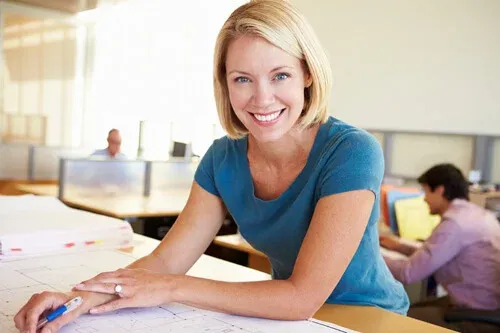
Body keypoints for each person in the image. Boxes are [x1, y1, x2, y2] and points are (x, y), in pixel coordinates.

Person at [14, 1, 408, 332]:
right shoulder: (223, 156)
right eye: (242, 79)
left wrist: (171, 288)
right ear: (225, 84)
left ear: (307, 73)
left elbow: (301, 297)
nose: (262, 98)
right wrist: (77, 297)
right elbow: (167, 261)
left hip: (368, 318)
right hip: (284, 316)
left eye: (280, 75)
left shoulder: (351, 151)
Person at [380, 163, 500, 332]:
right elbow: (437, 255)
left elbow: (407, 273)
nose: (424, 198)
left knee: (395, 315)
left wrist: (371, 257)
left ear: (440, 190)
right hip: (486, 305)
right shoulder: (477, 215)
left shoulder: (455, 224)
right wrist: (399, 246)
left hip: (476, 314)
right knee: (413, 305)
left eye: (426, 191)